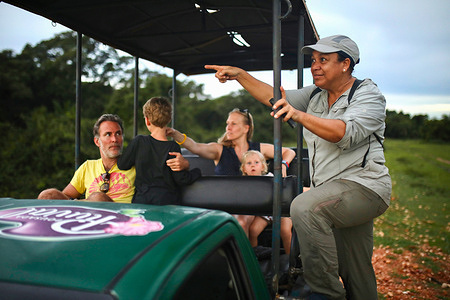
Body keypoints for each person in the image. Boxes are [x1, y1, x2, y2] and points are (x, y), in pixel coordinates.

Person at [204, 35, 391, 300]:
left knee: (303, 207)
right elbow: (273, 96)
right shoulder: (315, 95)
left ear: (345, 64)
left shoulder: (367, 94)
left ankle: (324, 294)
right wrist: (240, 75)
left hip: (364, 187)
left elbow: (344, 132)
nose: (314, 66)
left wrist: (298, 114)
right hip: (331, 193)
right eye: (313, 60)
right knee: (357, 270)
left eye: (323, 60)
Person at [166, 108, 296, 236]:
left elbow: (289, 152)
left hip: (252, 204)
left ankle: (246, 255)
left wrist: (283, 165)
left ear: (246, 128)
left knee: (241, 222)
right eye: (227, 124)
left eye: (233, 124)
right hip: (225, 203)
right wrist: (175, 134)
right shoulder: (219, 150)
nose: (228, 128)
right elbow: (195, 147)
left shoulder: (258, 149)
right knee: (238, 221)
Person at [38, 114, 190, 203]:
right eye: (108, 134)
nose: (115, 139)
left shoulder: (138, 163)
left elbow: (165, 168)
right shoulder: (87, 166)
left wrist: (184, 164)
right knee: (48, 194)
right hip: (84, 218)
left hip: (120, 221)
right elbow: (65, 197)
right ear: (97, 141)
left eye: (118, 134)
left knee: (98, 198)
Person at [117, 97, 201, 205]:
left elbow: (122, 164)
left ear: (147, 120)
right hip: (167, 203)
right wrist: (197, 172)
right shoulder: (172, 147)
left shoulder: (139, 142)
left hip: (142, 202)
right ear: (169, 119)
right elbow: (181, 179)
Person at [241, 150, 293, 256]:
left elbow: (281, 192)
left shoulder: (269, 177)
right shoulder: (245, 183)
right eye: (249, 163)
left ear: (263, 167)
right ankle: (256, 255)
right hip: (264, 214)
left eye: (256, 162)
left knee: (285, 230)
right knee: (253, 230)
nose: (253, 166)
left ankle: (290, 258)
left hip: (280, 211)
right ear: (244, 169)